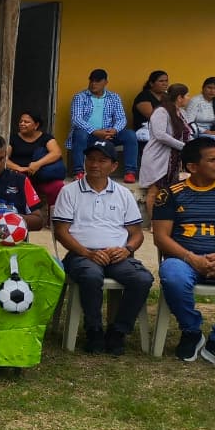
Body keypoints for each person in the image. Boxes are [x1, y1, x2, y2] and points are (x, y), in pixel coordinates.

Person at [52, 140, 154, 355]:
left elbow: (137, 234)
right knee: (90, 276)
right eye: (90, 159)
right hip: (81, 254)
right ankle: (94, 330)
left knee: (142, 279)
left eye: (102, 160)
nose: (94, 164)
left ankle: (118, 331)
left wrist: (127, 249)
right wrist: (87, 253)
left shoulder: (123, 193)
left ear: (114, 166)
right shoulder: (69, 191)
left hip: (117, 255)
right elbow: (61, 232)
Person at [152, 136, 215, 367]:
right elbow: (160, 237)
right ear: (192, 167)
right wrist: (193, 259)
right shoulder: (170, 194)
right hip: (184, 260)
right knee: (172, 274)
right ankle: (191, 331)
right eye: (212, 160)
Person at [68, 69, 137, 182]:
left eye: (97, 81)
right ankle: (79, 172)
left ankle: (130, 173)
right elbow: (76, 119)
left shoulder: (114, 97)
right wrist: (95, 132)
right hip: (88, 135)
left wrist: (114, 130)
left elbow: (121, 118)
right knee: (80, 133)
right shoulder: (80, 97)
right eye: (91, 81)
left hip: (108, 135)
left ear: (105, 82)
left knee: (130, 135)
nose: (93, 84)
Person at [138, 83, 191, 219]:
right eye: (187, 95)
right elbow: (160, 135)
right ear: (179, 97)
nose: (189, 98)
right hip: (158, 158)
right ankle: (153, 224)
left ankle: (165, 222)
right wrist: (183, 146)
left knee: (169, 192)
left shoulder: (181, 113)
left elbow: (186, 132)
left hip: (174, 159)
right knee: (155, 191)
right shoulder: (161, 111)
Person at [6, 111, 66, 207]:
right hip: (21, 176)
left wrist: (38, 164)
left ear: (36, 125)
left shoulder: (46, 138)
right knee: (19, 180)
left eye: (26, 122)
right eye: (21, 121)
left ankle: (54, 213)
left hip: (42, 176)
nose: (22, 124)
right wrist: (19, 168)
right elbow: (4, 159)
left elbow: (56, 153)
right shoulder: (13, 138)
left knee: (58, 186)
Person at [130, 70, 170, 141]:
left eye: (166, 81)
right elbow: (153, 117)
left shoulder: (166, 96)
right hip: (145, 131)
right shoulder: (144, 96)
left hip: (164, 129)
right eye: (161, 81)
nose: (165, 84)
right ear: (151, 83)